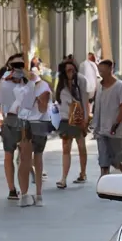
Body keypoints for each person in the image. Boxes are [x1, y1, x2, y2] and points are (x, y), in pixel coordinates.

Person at [13, 65, 52, 207]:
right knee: (28, 159)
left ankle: (35, 194)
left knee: (32, 158)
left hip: (36, 123)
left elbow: (43, 107)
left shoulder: (42, 87)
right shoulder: (21, 87)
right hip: (29, 123)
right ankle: (30, 194)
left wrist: (36, 99)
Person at [0, 56, 29, 200]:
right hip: (18, 120)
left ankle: (14, 188)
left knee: (13, 155)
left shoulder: (7, 83)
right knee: (16, 155)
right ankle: (17, 188)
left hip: (16, 120)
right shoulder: (22, 83)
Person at [55, 60, 90, 188]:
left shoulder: (80, 83)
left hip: (77, 119)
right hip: (65, 119)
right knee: (66, 148)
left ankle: (83, 173)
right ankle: (63, 178)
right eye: (68, 70)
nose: (71, 72)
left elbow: (85, 101)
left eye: (73, 70)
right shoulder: (61, 85)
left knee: (81, 145)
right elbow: (58, 102)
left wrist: (85, 119)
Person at [92, 59, 122, 176]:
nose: (100, 73)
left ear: (110, 69)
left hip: (114, 130)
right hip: (101, 130)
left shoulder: (119, 86)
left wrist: (116, 123)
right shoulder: (99, 85)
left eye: (102, 70)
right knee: (103, 162)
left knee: (116, 162)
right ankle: (103, 185)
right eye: (99, 70)